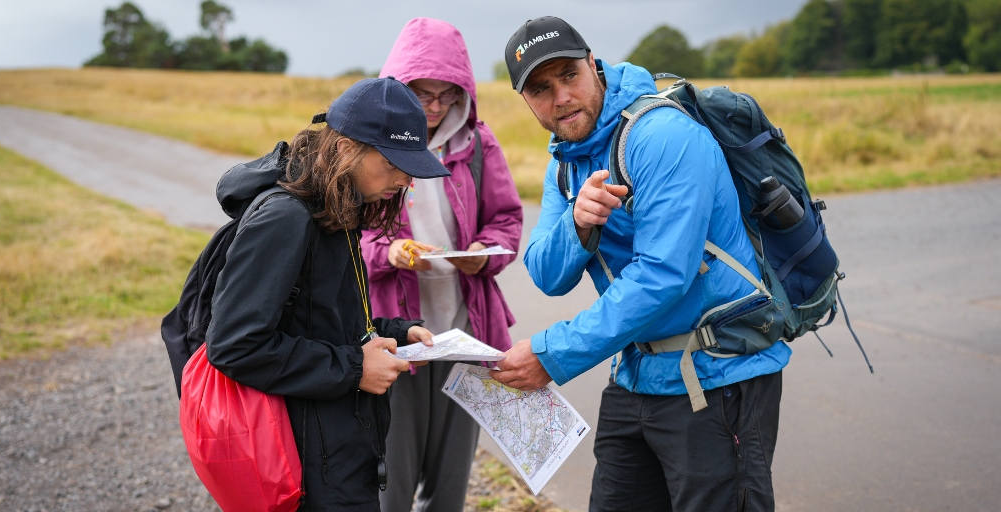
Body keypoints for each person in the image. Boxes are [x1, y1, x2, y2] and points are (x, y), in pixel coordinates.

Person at [491, 17, 791, 512]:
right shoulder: (564, 162)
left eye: (569, 75)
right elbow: (545, 274)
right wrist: (579, 226)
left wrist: (551, 354)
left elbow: (663, 276)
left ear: (594, 65)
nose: (560, 97)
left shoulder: (662, 136)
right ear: (525, 99)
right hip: (635, 376)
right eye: (541, 89)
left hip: (718, 377)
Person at [206, 77, 449, 512]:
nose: (405, 178)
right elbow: (234, 344)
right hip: (306, 465)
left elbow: (316, 318)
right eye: (394, 162)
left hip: (336, 447)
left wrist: (395, 330)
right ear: (345, 148)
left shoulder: (336, 205)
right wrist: (355, 368)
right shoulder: (286, 217)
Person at [361, 18, 524, 512]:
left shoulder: (477, 143)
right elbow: (342, 229)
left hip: (465, 333)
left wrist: (484, 255)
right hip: (396, 339)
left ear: (464, 94)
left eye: (446, 96)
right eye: (422, 94)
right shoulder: (367, 144)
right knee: (392, 480)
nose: (434, 108)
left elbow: (507, 219)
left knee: (450, 484)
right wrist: (388, 251)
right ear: (398, 87)